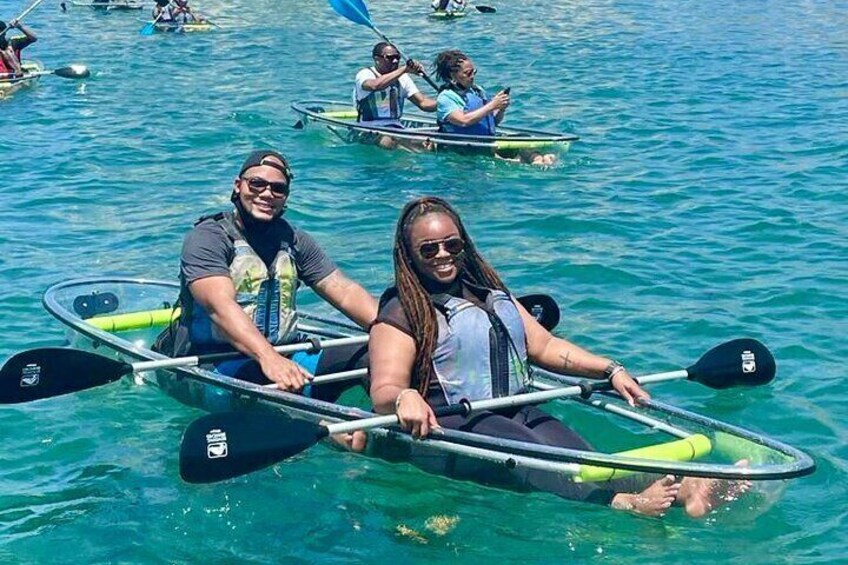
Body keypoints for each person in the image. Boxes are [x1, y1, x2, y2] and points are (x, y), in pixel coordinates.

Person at [368, 196, 746, 516]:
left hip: (516, 406)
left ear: (464, 243)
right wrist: (404, 396)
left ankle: (687, 490)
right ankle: (623, 504)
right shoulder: (402, 311)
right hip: (455, 421)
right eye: (429, 249)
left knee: (588, 459)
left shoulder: (486, 292)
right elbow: (384, 387)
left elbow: (545, 347)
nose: (443, 255)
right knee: (541, 458)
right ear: (410, 256)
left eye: (452, 244)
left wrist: (610, 368)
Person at [156, 150, 377, 450]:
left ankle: (396, 420)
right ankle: (324, 430)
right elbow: (219, 307)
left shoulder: (295, 240)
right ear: (238, 185)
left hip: (287, 357)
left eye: (278, 188)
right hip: (215, 366)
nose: (266, 193)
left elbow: (344, 289)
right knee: (261, 384)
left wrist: (399, 332)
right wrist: (267, 357)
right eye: (256, 184)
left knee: (374, 351)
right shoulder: (208, 238)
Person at [433, 49, 556, 166]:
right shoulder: (446, 98)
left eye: (473, 72)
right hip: (464, 149)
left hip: (487, 144)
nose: (472, 76)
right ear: (452, 75)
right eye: (467, 73)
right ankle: (534, 162)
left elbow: (493, 122)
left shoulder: (477, 90)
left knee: (524, 140)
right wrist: (492, 105)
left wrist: (501, 108)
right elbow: (463, 121)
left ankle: (539, 160)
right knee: (510, 158)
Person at [354, 42, 437, 149]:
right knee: (387, 141)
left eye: (397, 57)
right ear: (377, 59)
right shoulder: (365, 74)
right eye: (390, 58)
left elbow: (423, 103)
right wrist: (404, 69)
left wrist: (444, 101)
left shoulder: (403, 78)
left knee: (428, 144)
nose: (395, 61)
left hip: (396, 129)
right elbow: (375, 85)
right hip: (368, 128)